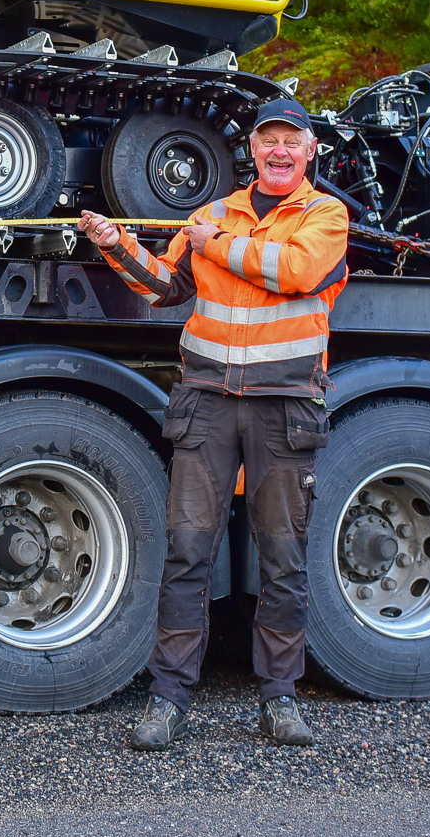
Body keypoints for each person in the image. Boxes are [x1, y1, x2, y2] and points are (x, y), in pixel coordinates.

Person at [81, 98, 349, 752]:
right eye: (268, 140)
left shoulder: (325, 214)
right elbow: (164, 286)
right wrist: (119, 247)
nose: (279, 151)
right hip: (207, 401)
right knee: (187, 552)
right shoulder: (211, 213)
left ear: (310, 150)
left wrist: (217, 245)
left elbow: (297, 271)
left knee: (283, 557)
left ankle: (280, 698)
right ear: (252, 149)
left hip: (285, 406)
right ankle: (167, 698)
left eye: (291, 141)